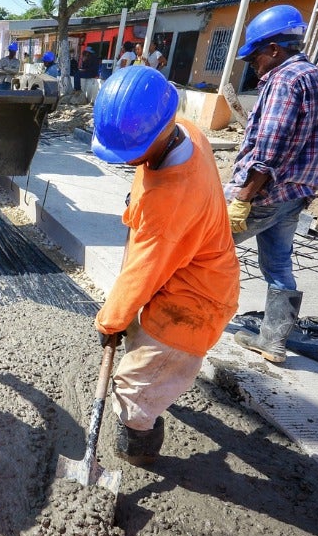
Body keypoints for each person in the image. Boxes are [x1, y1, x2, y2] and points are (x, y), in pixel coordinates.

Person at [91, 66, 240, 466]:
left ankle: (138, 447)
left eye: (131, 152)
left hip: (195, 301)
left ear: (158, 134)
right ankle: (155, 389)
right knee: (141, 345)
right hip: (182, 273)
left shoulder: (171, 202)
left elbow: (143, 270)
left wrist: (110, 320)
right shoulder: (185, 132)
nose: (128, 162)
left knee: (134, 388)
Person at [225, 4, 318, 364]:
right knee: (279, 266)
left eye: (255, 56)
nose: (253, 65)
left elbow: (269, 148)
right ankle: (272, 342)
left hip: (265, 194)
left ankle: (187, 318)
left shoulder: (285, 80)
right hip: (297, 193)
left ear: (274, 49)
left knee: (205, 249)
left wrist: (243, 198)